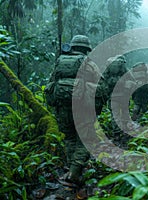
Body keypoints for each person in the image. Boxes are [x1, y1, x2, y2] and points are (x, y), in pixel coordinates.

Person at [45, 35, 100, 185]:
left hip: (62, 107)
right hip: (82, 107)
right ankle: (75, 172)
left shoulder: (60, 61)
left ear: (73, 47)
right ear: (86, 49)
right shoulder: (89, 63)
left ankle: (71, 168)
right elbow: (98, 84)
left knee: (69, 137)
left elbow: (52, 82)